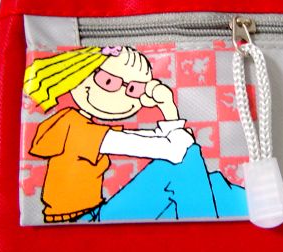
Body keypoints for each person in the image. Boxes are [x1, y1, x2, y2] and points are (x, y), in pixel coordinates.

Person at [24, 45, 195, 223]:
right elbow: (173, 152)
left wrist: (166, 109)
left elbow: (155, 140)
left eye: (134, 89)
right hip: (81, 220)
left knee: (202, 175)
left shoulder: (74, 121)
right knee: (175, 169)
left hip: (86, 216)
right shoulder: (80, 131)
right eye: (108, 81)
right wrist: (167, 105)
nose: (126, 96)